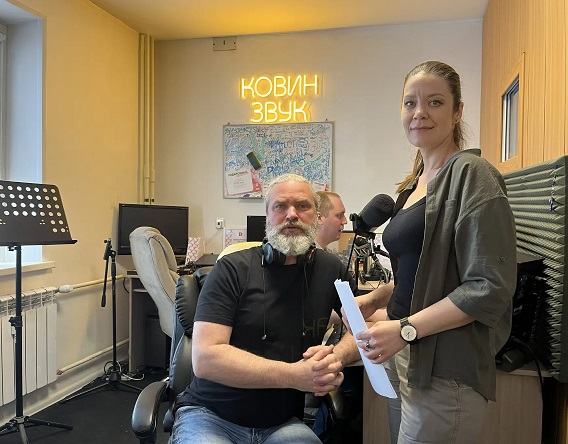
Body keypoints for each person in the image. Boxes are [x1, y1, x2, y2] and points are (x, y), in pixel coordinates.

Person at [344, 61, 517, 444]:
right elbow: (421, 273)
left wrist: (405, 329)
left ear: (457, 112)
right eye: (410, 103)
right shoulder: (414, 184)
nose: (419, 112)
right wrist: (375, 300)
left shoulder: (473, 174)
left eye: (435, 102)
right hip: (402, 354)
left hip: (442, 365)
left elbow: (488, 286)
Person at [170, 173, 360, 444]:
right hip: (211, 416)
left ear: (317, 216)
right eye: (280, 206)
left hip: (281, 423)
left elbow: (361, 329)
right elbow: (205, 359)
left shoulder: (332, 270)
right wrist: (295, 376)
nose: (291, 215)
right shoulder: (231, 269)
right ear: (268, 217)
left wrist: (336, 357)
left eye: (302, 205)